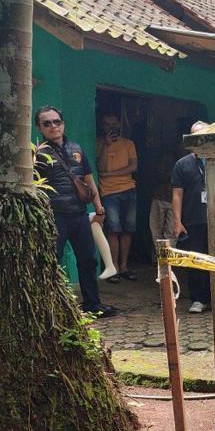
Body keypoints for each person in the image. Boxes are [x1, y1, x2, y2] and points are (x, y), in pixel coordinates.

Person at [33, 105, 117, 318]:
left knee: (88, 260)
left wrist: (98, 206)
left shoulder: (76, 148)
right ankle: (53, 307)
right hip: (55, 216)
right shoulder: (38, 154)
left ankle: (92, 304)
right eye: (47, 123)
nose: (53, 126)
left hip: (79, 214)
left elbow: (89, 179)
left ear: (63, 124)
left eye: (57, 122)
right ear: (39, 128)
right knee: (54, 261)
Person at [171, 121, 211, 314]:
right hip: (193, 219)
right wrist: (177, 221)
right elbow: (177, 194)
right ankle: (198, 299)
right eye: (195, 136)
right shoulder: (183, 164)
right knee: (196, 260)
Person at [96, 113, 139, 283]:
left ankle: (124, 267)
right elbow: (99, 166)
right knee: (113, 230)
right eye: (107, 124)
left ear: (119, 124)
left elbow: (133, 166)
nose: (111, 127)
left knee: (128, 229)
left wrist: (109, 174)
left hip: (129, 189)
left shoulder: (128, 144)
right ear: (102, 126)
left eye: (114, 124)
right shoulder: (99, 143)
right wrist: (106, 145)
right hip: (108, 192)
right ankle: (112, 267)